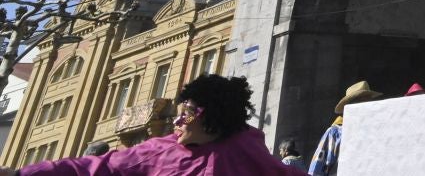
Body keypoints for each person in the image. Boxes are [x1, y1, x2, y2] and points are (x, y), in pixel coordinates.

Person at [0, 75, 295, 176]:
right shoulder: (160, 151)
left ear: (212, 116)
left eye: (187, 114)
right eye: (179, 113)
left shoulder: (245, 148)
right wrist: (21, 174)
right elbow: (95, 168)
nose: (177, 122)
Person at [308, 80, 382, 176]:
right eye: (362, 103)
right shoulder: (334, 133)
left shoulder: (376, 132)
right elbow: (315, 170)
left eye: (369, 103)